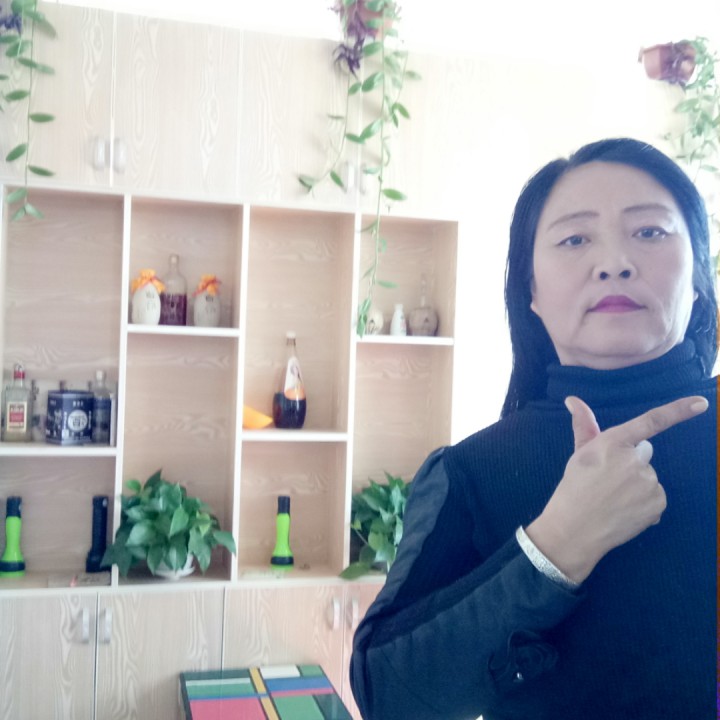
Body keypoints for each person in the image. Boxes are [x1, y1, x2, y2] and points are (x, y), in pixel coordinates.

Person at [349, 138, 717, 720]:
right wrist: (556, 545)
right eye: (575, 239)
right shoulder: (473, 470)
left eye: (649, 231)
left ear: (698, 274)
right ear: (531, 292)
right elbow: (388, 696)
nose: (614, 262)